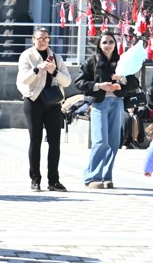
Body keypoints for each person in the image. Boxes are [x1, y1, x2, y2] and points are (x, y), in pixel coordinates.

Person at [76, 30, 137, 189]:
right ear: (99, 45)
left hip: (117, 103)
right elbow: (79, 82)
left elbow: (134, 83)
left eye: (111, 42)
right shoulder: (92, 61)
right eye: (104, 42)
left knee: (114, 142)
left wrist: (121, 80)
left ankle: (106, 176)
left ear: (115, 44)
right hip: (99, 104)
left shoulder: (121, 62)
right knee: (101, 141)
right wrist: (98, 86)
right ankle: (92, 177)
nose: (108, 45)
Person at [17, 28, 71, 192]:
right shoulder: (27, 56)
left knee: (55, 142)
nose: (43, 41)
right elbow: (24, 80)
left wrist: (54, 71)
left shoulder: (56, 58)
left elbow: (67, 81)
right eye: (39, 38)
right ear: (33, 39)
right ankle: (35, 179)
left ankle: (54, 180)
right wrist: (37, 68)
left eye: (46, 39)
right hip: (33, 100)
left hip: (53, 102)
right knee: (35, 140)